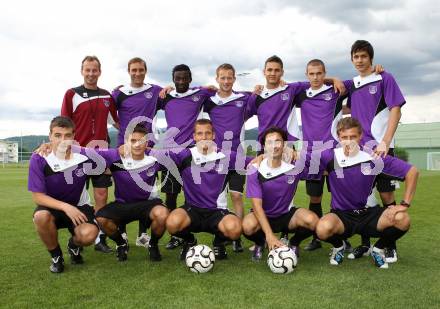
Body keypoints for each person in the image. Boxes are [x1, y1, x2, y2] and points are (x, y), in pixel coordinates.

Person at [313, 117, 418, 269]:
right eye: (344, 137)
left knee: (403, 219)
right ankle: (338, 247)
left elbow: (412, 172)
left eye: (353, 137)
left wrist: (404, 204)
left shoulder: (373, 157)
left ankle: (378, 249)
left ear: (360, 136)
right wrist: (288, 153)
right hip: (342, 216)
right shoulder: (329, 156)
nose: (349, 141)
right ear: (338, 137)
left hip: (368, 214)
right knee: (322, 229)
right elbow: (301, 161)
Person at [345, 40, 406, 262]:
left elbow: (395, 110)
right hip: (360, 151)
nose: (359, 60)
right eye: (356, 57)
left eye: (363, 56)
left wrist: (385, 141)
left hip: (381, 149)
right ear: (351, 60)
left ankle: (390, 244)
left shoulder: (385, 78)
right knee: (362, 198)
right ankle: (364, 244)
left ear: (371, 58)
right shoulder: (352, 84)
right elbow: (324, 84)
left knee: (387, 195)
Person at [165, 119, 251, 260]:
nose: (204, 137)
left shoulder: (226, 156)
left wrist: (285, 153)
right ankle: (190, 241)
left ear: (213, 135)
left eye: (207, 133)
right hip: (192, 209)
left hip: (217, 211)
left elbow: (253, 161)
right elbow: (157, 155)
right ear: (194, 137)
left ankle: (219, 242)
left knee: (235, 230)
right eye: (200, 133)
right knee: (172, 223)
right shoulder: (185, 155)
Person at [61, 55, 119, 253]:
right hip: (77, 155)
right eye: (88, 70)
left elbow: (117, 122)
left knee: (101, 195)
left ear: (100, 72)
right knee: (77, 197)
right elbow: (63, 124)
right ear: (82, 71)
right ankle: (77, 238)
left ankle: (99, 239)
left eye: (95, 70)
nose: (91, 73)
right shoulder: (71, 94)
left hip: (100, 155)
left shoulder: (106, 96)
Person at [29, 116, 99, 273]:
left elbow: (119, 153)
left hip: (80, 206)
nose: (63, 140)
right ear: (50, 136)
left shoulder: (84, 155)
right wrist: (66, 207)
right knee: (41, 217)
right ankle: (56, 256)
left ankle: (73, 246)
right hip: (53, 207)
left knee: (88, 235)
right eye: (57, 135)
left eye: (67, 135)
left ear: (74, 137)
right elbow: (37, 196)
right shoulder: (39, 158)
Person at [90, 125, 169, 262]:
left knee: (162, 215)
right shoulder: (116, 160)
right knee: (101, 218)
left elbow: (180, 155)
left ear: (147, 143)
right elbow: (89, 153)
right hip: (123, 205)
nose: (137, 145)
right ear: (126, 142)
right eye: (133, 141)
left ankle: (153, 245)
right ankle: (121, 243)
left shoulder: (155, 159)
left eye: (141, 141)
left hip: (147, 204)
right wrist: (53, 147)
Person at [158, 65, 215, 250]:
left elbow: (220, 90)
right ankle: (176, 235)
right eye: (177, 79)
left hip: (191, 152)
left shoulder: (200, 94)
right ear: (173, 79)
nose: (181, 82)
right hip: (171, 153)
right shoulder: (166, 96)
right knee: (171, 196)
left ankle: (187, 228)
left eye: (184, 78)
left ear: (190, 79)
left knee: (192, 194)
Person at [203, 63, 257, 252]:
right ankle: (222, 233)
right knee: (218, 199)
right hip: (217, 157)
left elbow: (264, 94)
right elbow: (191, 95)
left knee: (236, 196)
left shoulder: (243, 99)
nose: (226, 81)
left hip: (238, 156)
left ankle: (237, 237)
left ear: (234, 79)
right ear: (217, 79)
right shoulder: (209, 101)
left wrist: (257, 90)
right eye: (222, 78)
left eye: (229, 77)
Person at [243, 127, 319, 261]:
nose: (274, 145)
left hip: (286, 215)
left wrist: (298, 152)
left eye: (278, 141)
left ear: (284, 144)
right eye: (269, 142)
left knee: (313, 221)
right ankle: (260, 243)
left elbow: (320, 161)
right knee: (247, 226)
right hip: (263, 215)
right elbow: (256, 206)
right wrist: (269, 236)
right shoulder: (254, 169)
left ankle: (294, 243)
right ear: (264, 146)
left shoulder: (295, 166)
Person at [111, 57, 163, 248]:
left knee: (148, 189)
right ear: (129, 71)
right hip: (125, 146)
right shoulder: (120, 93)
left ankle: (143, 234)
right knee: (124, 188)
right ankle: (122, 233)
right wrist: (122, 129)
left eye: (141, 69)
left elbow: (176, 94)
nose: (137, 73)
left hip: (147, 146)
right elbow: (109, 113)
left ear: (145, 70)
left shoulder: (155, 90)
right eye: (134, 70)